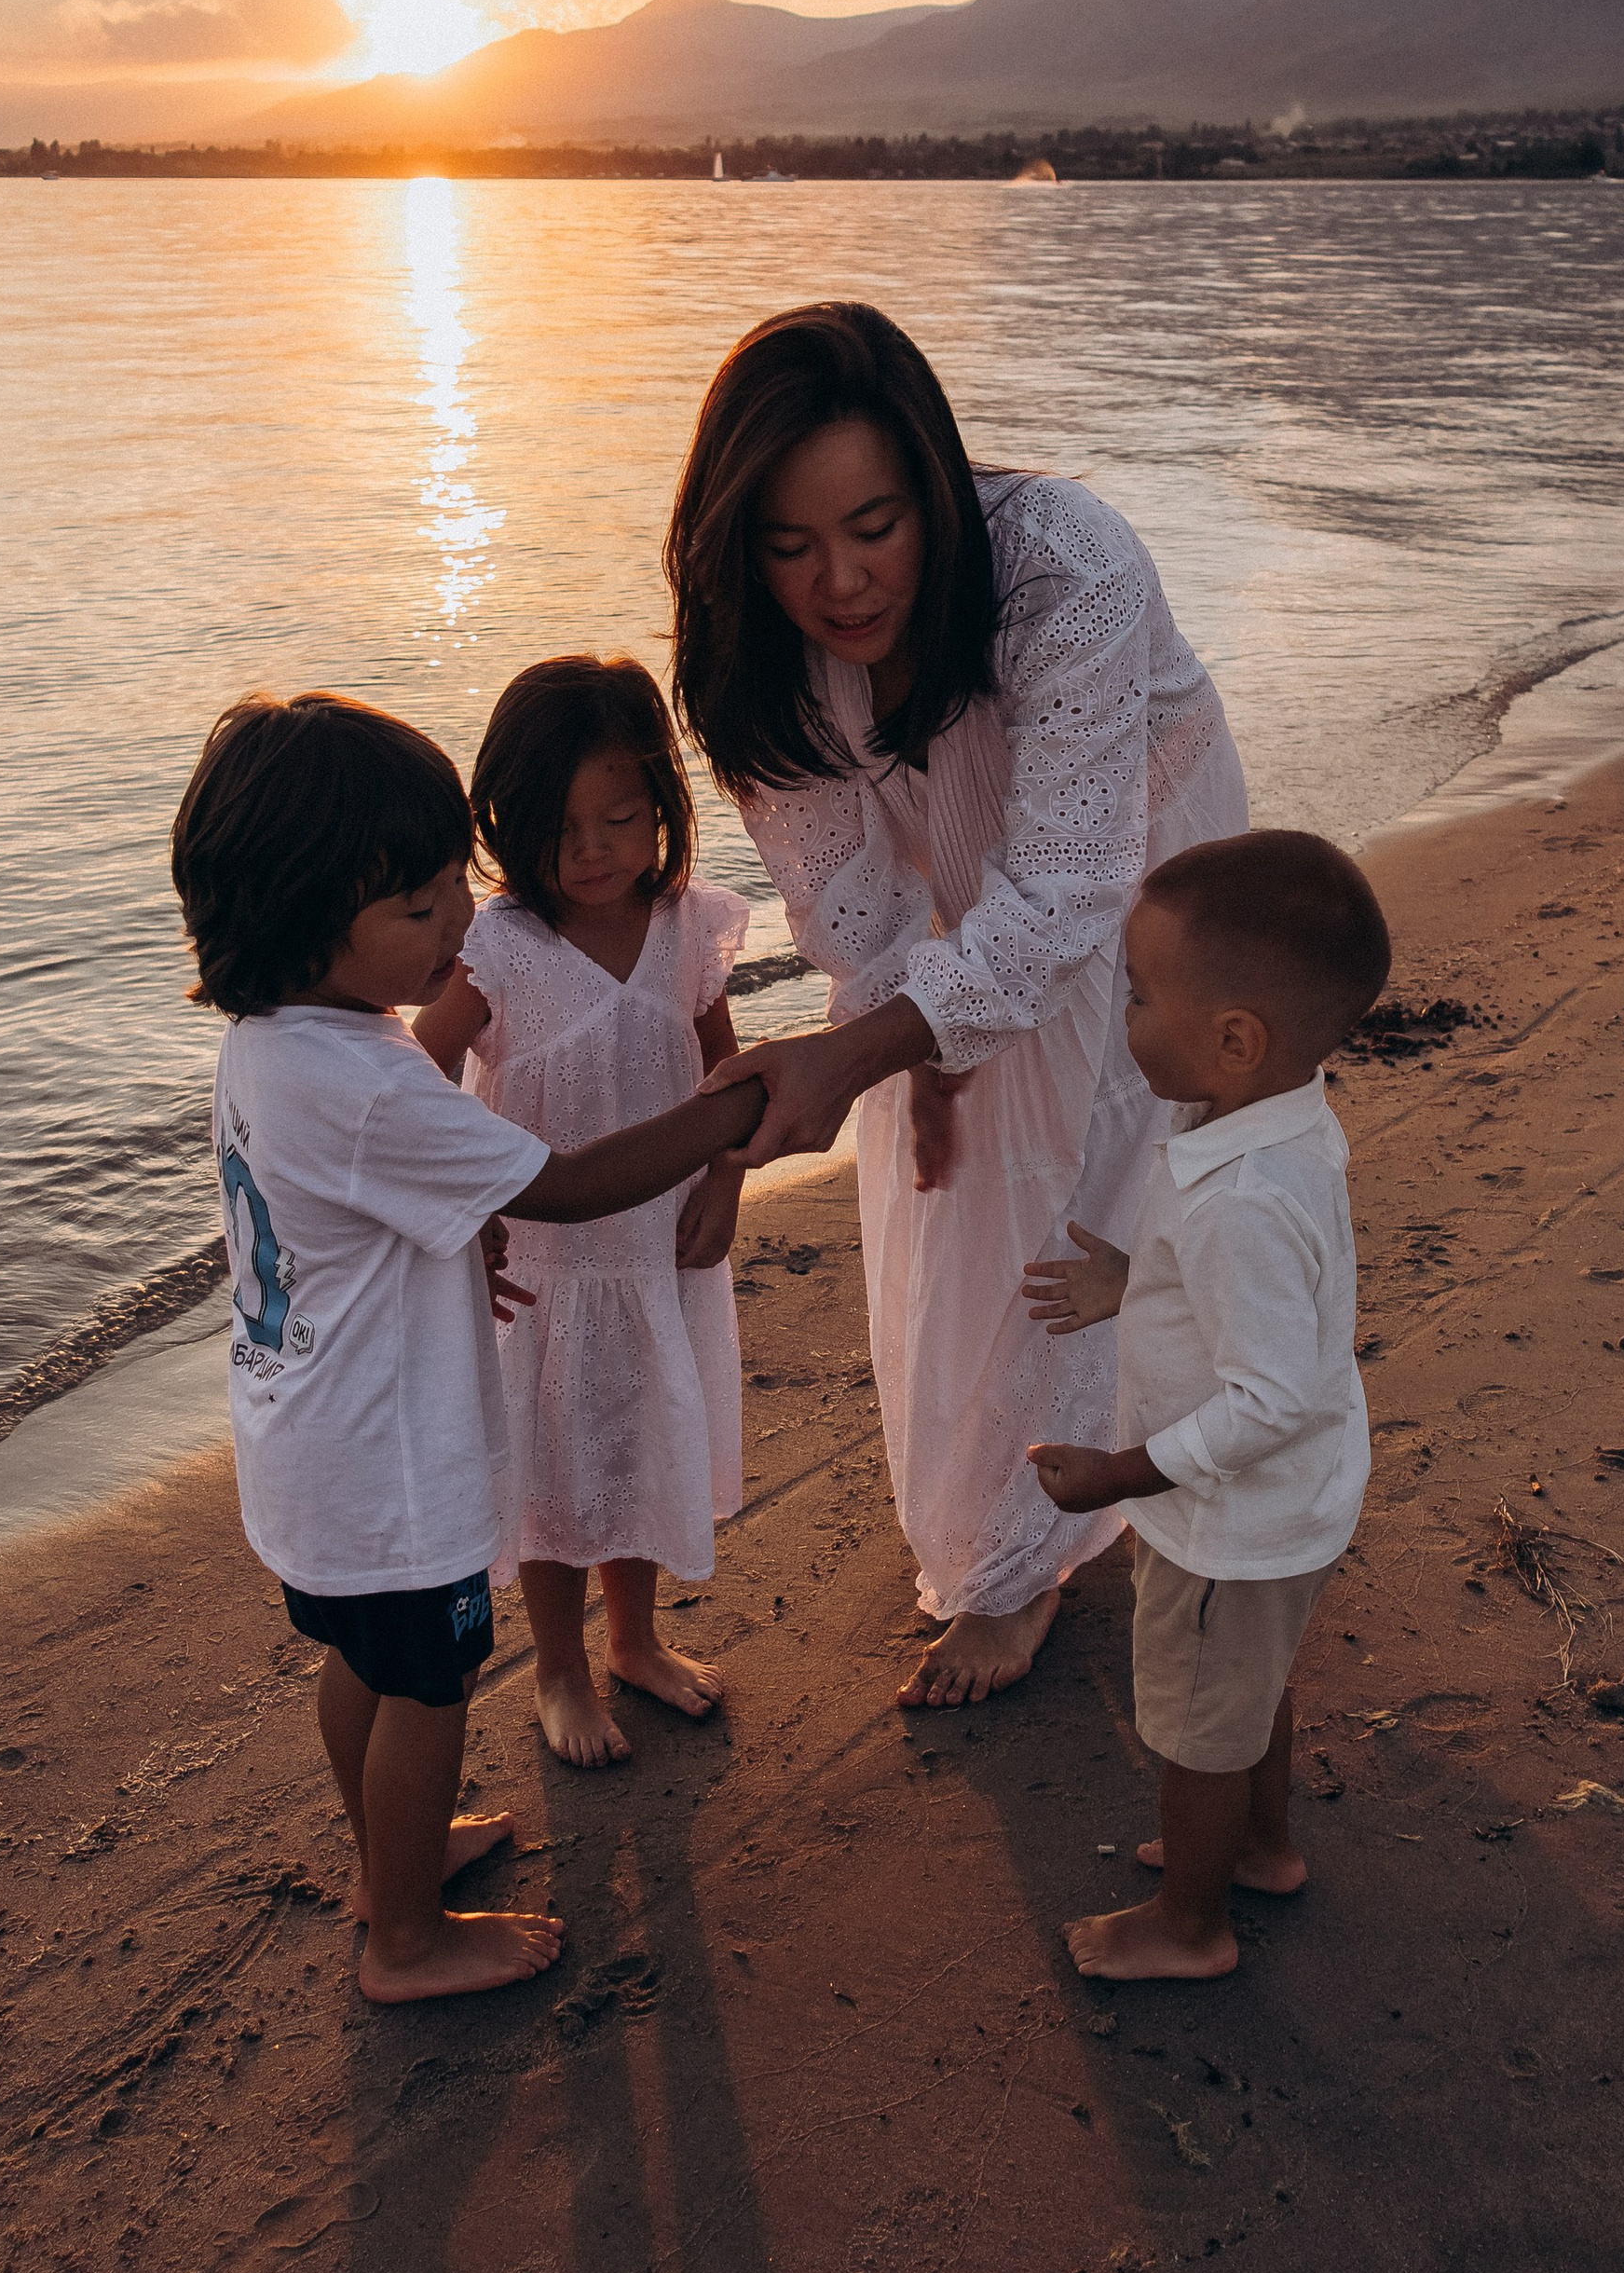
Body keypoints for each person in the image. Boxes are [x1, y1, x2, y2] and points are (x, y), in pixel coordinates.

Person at [667, 301, 1247, 1709]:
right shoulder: (758, 653)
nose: (842, 583)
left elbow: (1062, 893)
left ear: (933, 483)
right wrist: (898, 1047)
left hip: (1144, 854)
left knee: (1105, 1169)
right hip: (979, 887)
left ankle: (1034, 1550)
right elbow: (853, 902)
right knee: (961, 1191)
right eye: (790, 545)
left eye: (875, 525)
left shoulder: (1068, 572)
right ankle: (1033, 1520)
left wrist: (859, 1052)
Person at [169, 691, 764, 2007]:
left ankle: (397, 1861)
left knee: (362, 1666)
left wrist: (449, 1230)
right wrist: (746, 1106)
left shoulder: (272, 1047)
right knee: (431, 1685)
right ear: (306, 913)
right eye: (422, 906)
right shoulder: (373, 1080)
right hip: (394, 1469)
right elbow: (556, 1183)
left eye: (452, 889)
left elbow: (367, 1208)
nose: (457, 924)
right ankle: (407, 1944)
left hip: (304, 1449)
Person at [1022, 829, 1387, 1982]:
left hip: (1233, 1525)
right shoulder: (1263, 1119)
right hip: (1281, 1509)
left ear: (1233, 1040)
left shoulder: (1243, 1197)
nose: (1125, 1019)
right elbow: (1261, 1308)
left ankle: (1189, 1924)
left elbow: (1267, 1398)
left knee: (1189, 1727)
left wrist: (1120, 1474)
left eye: (1139, 999)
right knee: (1243, 1696)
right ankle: (1260, 1848)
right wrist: (1134, 1284)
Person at [415, 656, 751, 1769]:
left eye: (624, 817)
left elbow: (723, 1066)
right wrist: (464, 1207)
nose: (598, 849)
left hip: (656, 1251)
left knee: (640, 1435)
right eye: (565, 828)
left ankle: (635, 1641)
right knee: (555, 1463)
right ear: (506, 824)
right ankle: (559, 1663)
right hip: (547, 1266)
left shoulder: (684, 925)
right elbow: (419, 1072)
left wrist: (725, 1180)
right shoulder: (501, 948)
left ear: (663, 807)